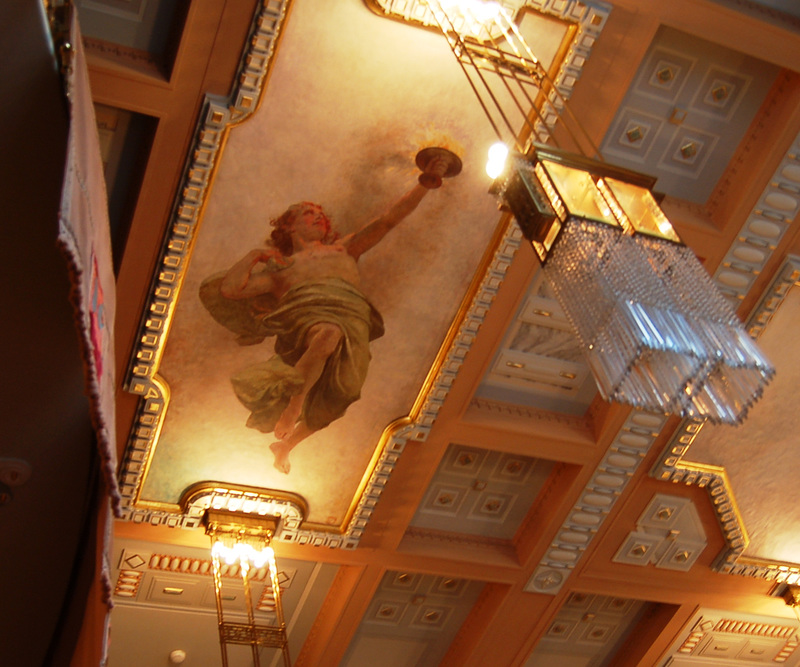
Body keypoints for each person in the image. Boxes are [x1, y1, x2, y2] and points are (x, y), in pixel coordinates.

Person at [200, 158, 452, 473]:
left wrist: (425, 183)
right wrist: (254, 256)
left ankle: (287, 445)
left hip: (354, 315)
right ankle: (293, 405)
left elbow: (389, 220)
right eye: (309, 213)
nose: (318, 218)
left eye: (321, 215)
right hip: (308, 312)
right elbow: (231, 290)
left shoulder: (344, 249)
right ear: (289, 224)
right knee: (328, 335)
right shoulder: (284, 268)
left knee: (343, 393)